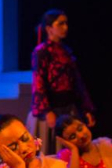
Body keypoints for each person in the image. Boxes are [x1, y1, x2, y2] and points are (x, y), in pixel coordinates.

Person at [26, 9, 96, 154]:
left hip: (68, 108)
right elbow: (38, 82)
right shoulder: (41, 51)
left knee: (71, 151)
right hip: (51, 108)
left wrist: (86, 109)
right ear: (49, 28)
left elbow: (77, 83)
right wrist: (46, 111)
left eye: (66, 23)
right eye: (60, 24)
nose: (65, 27)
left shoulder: (66, 51)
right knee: (49, 151)